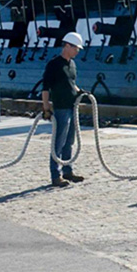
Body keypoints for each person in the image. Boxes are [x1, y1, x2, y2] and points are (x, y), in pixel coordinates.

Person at [41, 32, 86, 187]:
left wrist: (80, 92)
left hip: (73, 107)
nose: (77, 51)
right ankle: (55, 175)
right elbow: (45, 88)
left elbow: (71, 83)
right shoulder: (54, 65)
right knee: (58, 143)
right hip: (61, 108)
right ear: (67, 45)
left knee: (69, 141)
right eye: (76, 48)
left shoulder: (72, 65)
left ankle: (68, 171)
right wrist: (46, 108)